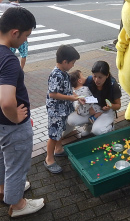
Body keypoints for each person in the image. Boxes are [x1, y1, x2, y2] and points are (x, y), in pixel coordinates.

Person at [0, 6, 45, 218]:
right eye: (26, 36)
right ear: (15, 32)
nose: (25, 41)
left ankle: (4, 191)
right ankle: (18, 204)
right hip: (11, 124)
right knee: (17, 165)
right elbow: (6, 102)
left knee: (1, 155)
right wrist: (16, 117)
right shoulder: (8, 59)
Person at [45, 45, 81, 174]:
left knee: (60, 130)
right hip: (56, 110)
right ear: (65, 62)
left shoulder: (64, 73)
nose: (72, 65)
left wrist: (74, 96)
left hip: (63, 109)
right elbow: (53, 94)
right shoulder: (56, 75)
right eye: (72, 63)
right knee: (54, 135)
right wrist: (71, 98)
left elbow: (65, 90)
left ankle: (58, 149)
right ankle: (49, 159)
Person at [67, 61, 122, 136]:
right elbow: (75, 88)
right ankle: (89, 125)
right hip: (92, 108)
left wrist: (110, 106)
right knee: (71, 120)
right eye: (94, 76)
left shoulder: (113, 86)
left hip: (106, 111)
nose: (96, 80)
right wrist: (79, 99)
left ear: (107, 75)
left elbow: (118, 105)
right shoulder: (89, 80)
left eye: (100, 77)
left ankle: (110, 126)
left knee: (97, 131)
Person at [0, 0, 28, 69]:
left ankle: (8, 68)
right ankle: (21, 70)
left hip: (10, 36)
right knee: (23, 54)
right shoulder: (22, 9)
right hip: (21, 34)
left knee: (9, 54)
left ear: (9, 0)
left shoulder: (6, 7)